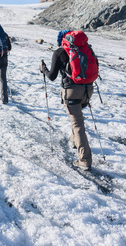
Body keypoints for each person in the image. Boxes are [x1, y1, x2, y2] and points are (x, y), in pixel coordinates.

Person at [40, 30, 95, 171]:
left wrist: (44, 69)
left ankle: (85, 160)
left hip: (71, 92)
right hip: (88, 90)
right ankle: (75, 141)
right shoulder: (86, 48)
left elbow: (51, 76)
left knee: (78, 125)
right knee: (76, 119)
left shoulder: (59, 52)